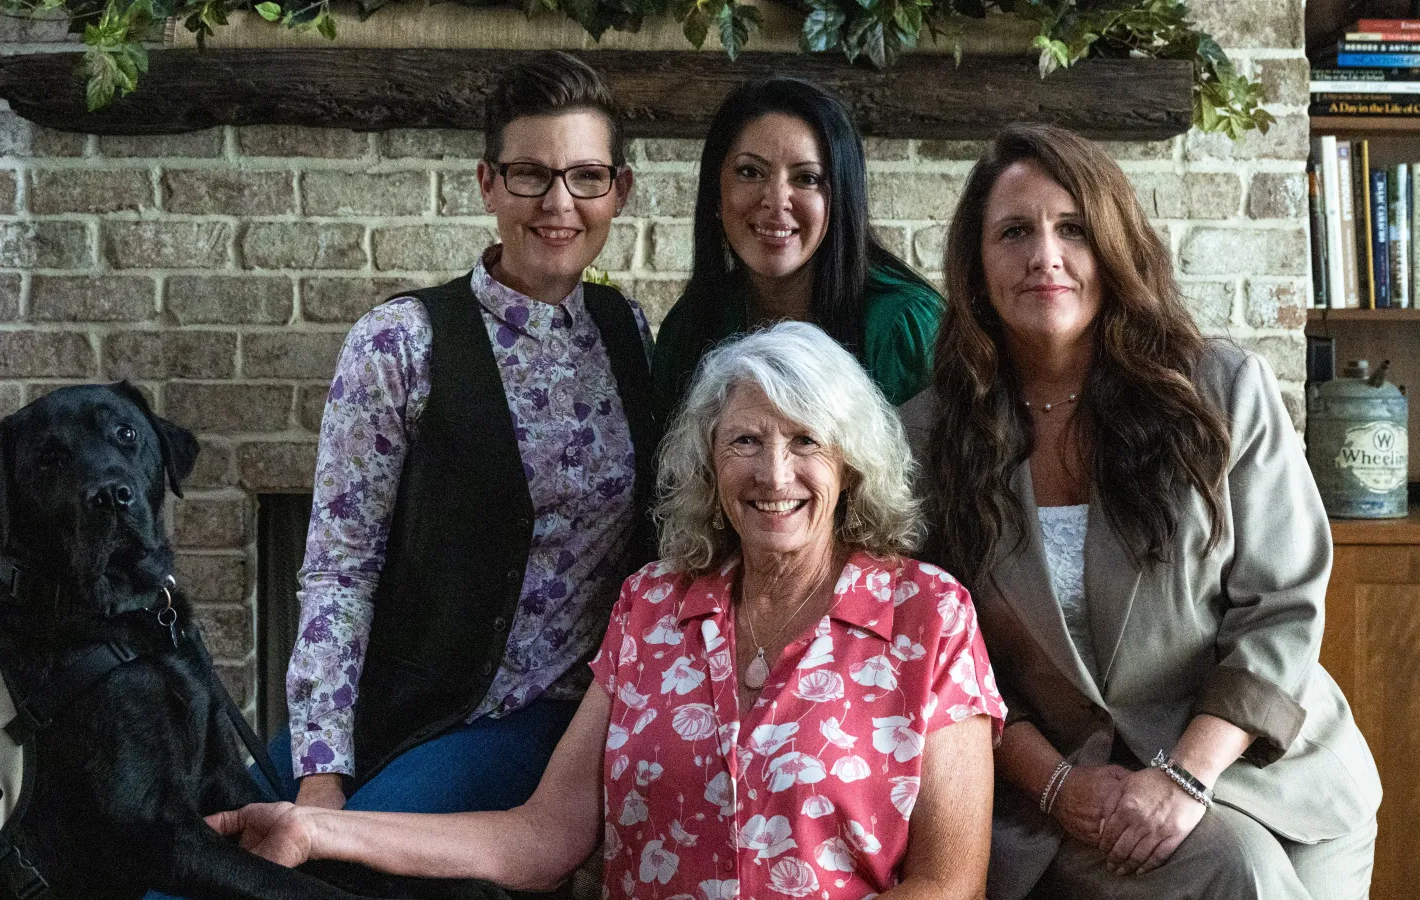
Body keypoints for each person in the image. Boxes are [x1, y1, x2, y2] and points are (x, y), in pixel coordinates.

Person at [210, 323, 1008, 900]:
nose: (774, 472)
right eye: (745, 441)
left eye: (805, 441)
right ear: (708, 461)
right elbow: (542, 837)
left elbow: (947, 882)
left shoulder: (929, 618)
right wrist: (316, 829)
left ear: (849, 461)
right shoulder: (653, 607)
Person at [900, 123, 1381, 900]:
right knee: (1237, 875)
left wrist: (1185, 776)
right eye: (1015, 232)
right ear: (974, 264)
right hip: (1066, 797)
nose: (1045, 256)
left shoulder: (1220, 391)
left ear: (1116, 246)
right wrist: (1059, 786)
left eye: (1074, 229)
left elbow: (1281, 607)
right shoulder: (925, 438)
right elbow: (949, 666)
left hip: (1263, 768)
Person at [283, 50, 660, 817]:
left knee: (334, 870)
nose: (559, 202)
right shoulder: (400, 342)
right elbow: (338, 567)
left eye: (586, 176)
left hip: (543, 718)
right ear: (489, 182)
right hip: (394, 702)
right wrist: (320, 764)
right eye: (530, 173)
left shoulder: (629, 332)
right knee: (197, 867)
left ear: (617, 192)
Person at [650, 77, 942, 428]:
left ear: (841, 198)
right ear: (716, 191)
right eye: (750, 172)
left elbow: (938, 480)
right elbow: (673, 480)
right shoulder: (690, 327)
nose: (775, 201)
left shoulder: (902, 326)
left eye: (807, 178)